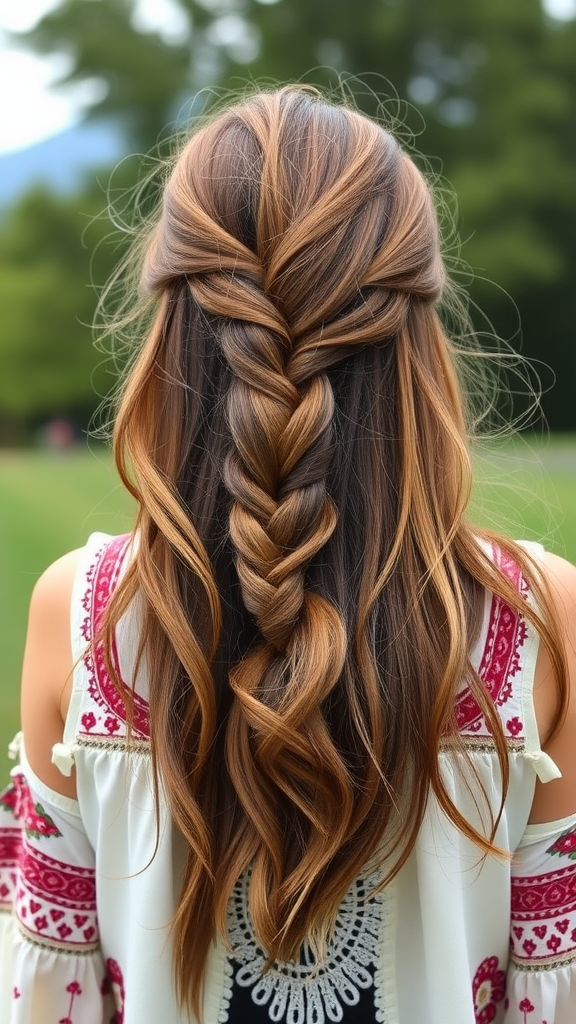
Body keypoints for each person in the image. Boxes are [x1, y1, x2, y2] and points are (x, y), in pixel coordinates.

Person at [0, 85, 575, 1024]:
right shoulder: (542, 620)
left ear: (172, 333)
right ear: (418, 344)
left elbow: (47, 996)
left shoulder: (84, 617)